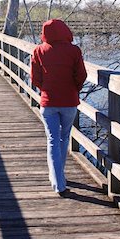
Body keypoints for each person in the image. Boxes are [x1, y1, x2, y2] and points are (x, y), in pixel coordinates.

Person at [31, 19, 87, 196]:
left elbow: (35, 78)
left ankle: (57, 181)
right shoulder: (74, 51)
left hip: (48, 103)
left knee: (53, 140)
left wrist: (46, 90)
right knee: (63, 138)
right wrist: (73, 90)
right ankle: (59, 176)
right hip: (69, 102)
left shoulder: (39, 50)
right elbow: (81, 75)